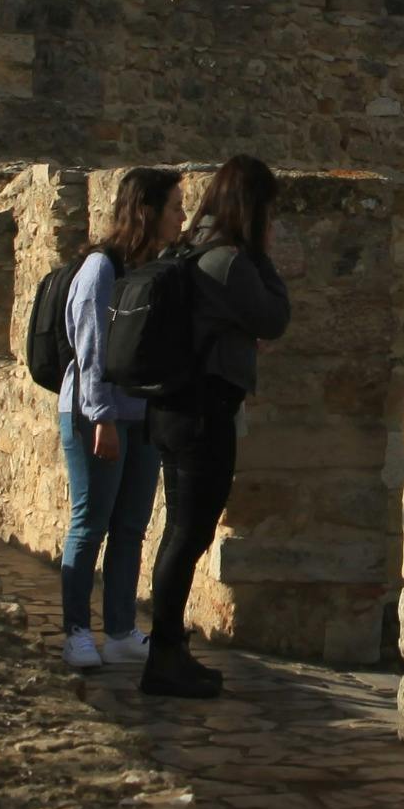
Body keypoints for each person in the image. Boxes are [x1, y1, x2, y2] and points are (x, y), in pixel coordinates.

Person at [140, 153, 291, 700]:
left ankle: (169, 649)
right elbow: (275, 316)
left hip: (173, 411)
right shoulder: (228, 261)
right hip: (203, 416)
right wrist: (262, 254)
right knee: (188, 534)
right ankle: (163, 656)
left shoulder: (188, 247)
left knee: (180, 531)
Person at [56, 166, 178, 670]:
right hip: (94, 414)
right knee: (91, 522)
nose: (182, 217)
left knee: (131, 524)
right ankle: (76, 631)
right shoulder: (100, 270)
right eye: (174, 207)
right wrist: (102, 417)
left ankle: (123, 629)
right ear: (147, 211)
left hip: (140, 413)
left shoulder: (154, 266)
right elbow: (90, 349)